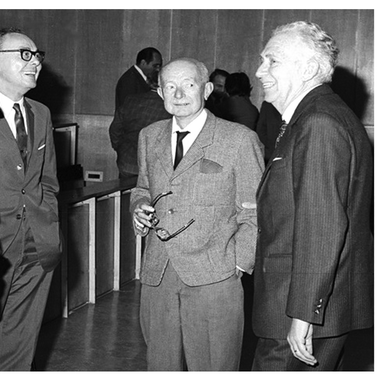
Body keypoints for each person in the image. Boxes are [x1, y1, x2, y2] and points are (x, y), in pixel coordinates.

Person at [252, 21, 373, 371]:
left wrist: (304, 314)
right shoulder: (316, 115)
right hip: (302, 304)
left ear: (307, 69)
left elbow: (322, 226)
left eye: (271, 61)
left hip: (298, 312)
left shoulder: (318, 123)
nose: (260, 71)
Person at [130, 58, 264, 370]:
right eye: (169, 87)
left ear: (205, 90)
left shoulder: (239, 139)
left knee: (213, 367)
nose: (178, 93)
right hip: (158, 274)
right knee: (161, 366)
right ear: (160, 93)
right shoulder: (149, 136)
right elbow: (142, 188)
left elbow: (255, 212)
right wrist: (138, 208)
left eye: (188, 85)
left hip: (215, 276)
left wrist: (238, 264)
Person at [0, 27, 62, 370]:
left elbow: (47, 180)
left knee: (20, 347)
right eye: (25, 54)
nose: (35, 61)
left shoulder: (41, 112)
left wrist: (50, 229)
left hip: (37, 248)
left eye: (37, 55)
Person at [109, 78, 171, 178]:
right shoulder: (170, 107)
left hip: (127, 162)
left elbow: (115, 129)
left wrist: (119, 148)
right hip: (156, 167)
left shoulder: (131, 100)